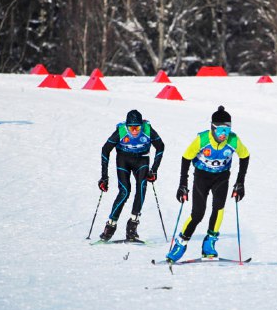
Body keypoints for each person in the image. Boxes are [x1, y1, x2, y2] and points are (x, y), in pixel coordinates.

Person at [165, 106, 250, 262]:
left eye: (227, 129)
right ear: (212, 128)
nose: (224, 134)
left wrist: (240, 182)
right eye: (220, 130)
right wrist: (183, 184)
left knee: (219, 209)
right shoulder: (202, 139)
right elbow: (186, 157)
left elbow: (245, 156)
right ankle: (181, 243)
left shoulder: (233, 140)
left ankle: (209, 243)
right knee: (198, 213)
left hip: (222, 178)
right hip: (202, 177)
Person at [98, 109, 165, 242]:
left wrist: (154, 169)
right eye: (131, 127)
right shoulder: (121, 131)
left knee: (141, 188)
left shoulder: (148, 129)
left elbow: (160, 146)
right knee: (125, 191)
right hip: (124, 160)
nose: (134, 130)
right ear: (127, 126)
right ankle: (110, 226)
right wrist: (104, 177)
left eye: (137, 127)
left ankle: (132, 226)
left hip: (142, 160)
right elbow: (105, 150)